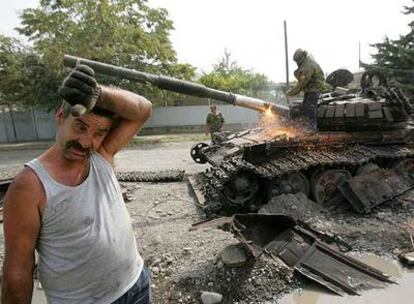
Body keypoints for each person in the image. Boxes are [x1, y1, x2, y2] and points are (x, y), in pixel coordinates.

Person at [1, 64, 152, 304]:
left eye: (99, 132)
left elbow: (143, 109)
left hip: (136, 285)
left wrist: (98, 94)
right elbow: (17, 273)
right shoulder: (30, 186)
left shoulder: (102, 155)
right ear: (60, 118)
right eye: (80, 126)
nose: (86, 142)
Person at [286, 48, 325, 130]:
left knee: (310, 106)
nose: (297, 63)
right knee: (304, 107)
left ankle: (312, 128)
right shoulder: (305, 63)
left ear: (301, 57)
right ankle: (304, 125)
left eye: (297, 61)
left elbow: (302, 83)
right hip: (310, 88)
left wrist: (291, 92)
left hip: (315, 87)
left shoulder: (308, 65)